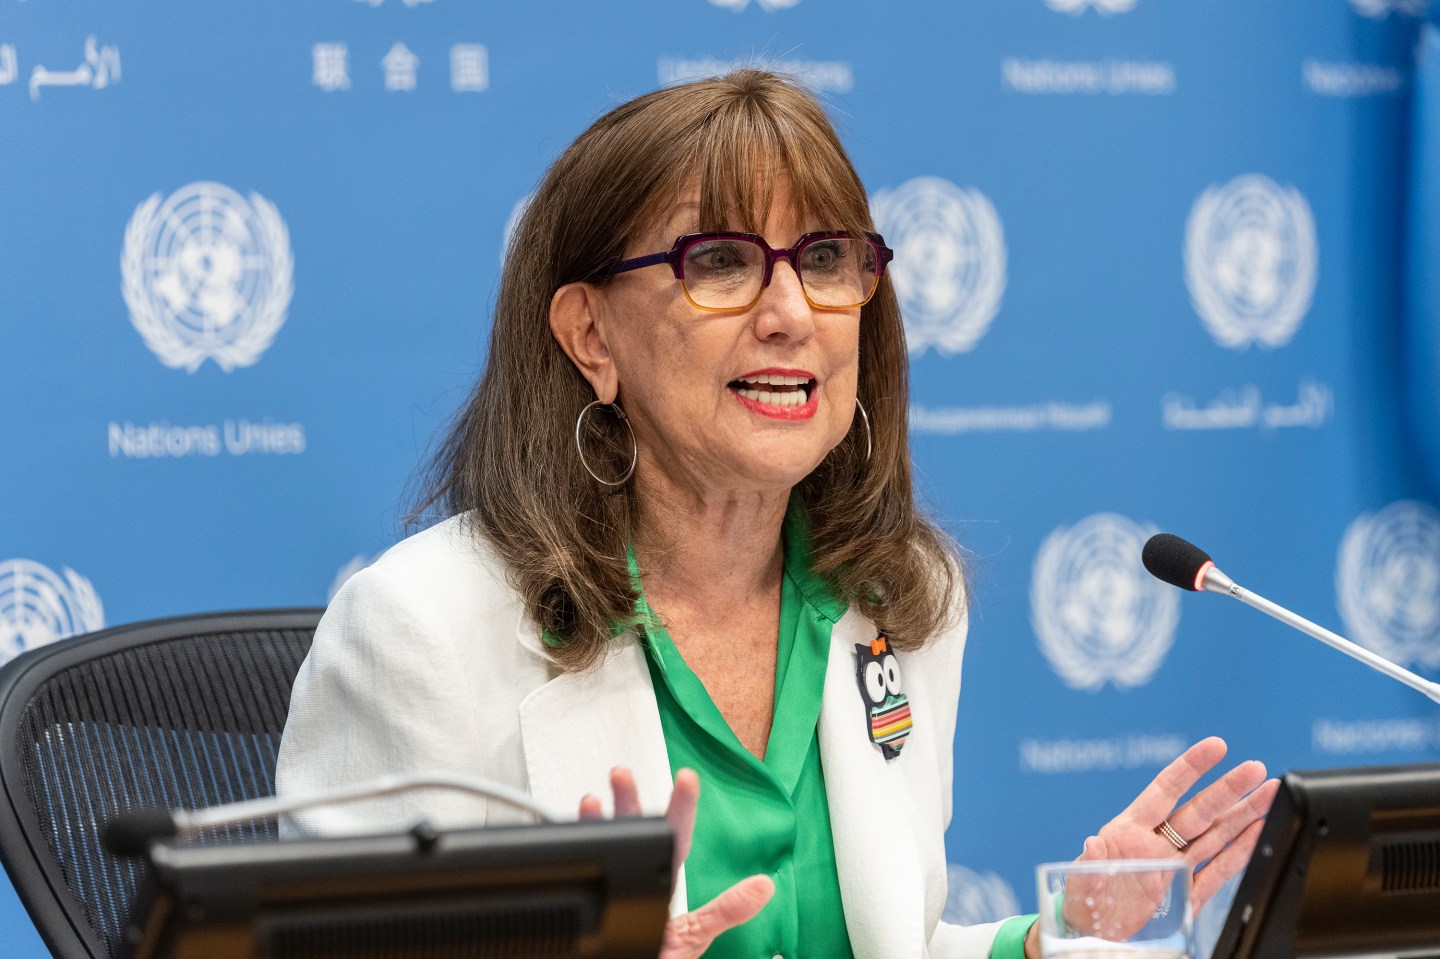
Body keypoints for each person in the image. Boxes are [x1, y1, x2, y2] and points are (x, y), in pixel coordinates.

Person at [276, 69, 1277, 959]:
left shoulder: (898, 600)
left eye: (827, 259)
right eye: (719, 263)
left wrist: (1059, 938)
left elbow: (886, 942)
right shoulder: (421, 633)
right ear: (591, 334)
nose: (792, 311)